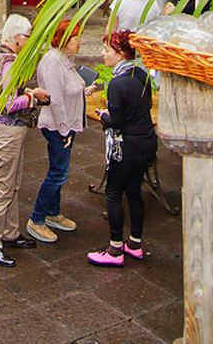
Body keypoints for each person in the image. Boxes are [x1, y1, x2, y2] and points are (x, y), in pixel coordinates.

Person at [0, 14, 50, 268]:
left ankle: (10, 233)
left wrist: (28, 92)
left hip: (7, 129)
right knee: (3, 188)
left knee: (13, 183)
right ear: (15, 37)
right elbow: (8, 103)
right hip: (7, 130)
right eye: (27, 35)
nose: (29, 40)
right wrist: (34, 99)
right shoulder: (9, 62)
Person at [88, 29, 157, 268]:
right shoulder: (140, 73)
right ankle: (135, 243)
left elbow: (115, 120)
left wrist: (104, 116)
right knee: (134, 191)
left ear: (119, 54)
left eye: (107, 50)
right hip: (146, 141)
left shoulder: (118, 83)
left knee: (114, 193)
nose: (103, 54)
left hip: (125, 146)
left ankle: (115, 248)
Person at [26, 20, 86, 244]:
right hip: (57, 125)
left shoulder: (64, 59)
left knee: (58, 169)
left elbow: (71, 86)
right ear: (64, 39)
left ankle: (53, 212)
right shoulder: (53, 62)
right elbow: (56, 100)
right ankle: (37, 219)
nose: (78, 42)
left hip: (66, 123)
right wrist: (64, 131)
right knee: (58, 172)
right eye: (74, 38)